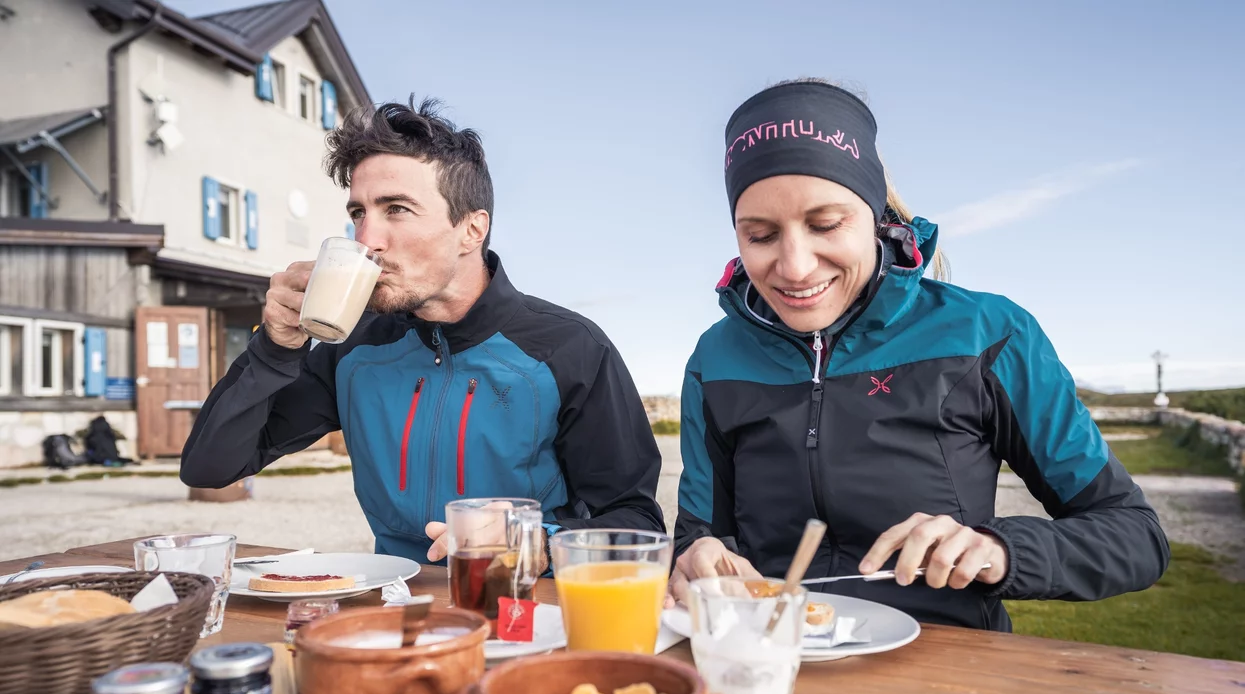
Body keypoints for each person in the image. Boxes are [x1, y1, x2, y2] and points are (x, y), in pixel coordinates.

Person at [668, 78, 1169, 630]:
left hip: (943, 682)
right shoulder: (715, 358)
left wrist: (998, 549)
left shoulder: (989, 333)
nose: (795, 267)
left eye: (826, 225)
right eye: (760, 235)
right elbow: (700, 540)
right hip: (767, 669)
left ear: (877, 215)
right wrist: (693, 561)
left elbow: (1134, 535)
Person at [181, 96, 665, 564]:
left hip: (525, 606)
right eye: (358, 213)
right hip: (400, 609)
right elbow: (210, 468)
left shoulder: (570, 348)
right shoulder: (354, 349)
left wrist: (531, 540)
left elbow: (636, 522)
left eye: (396, 209)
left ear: (471, 230)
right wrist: (275, 348)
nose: (366, 240)